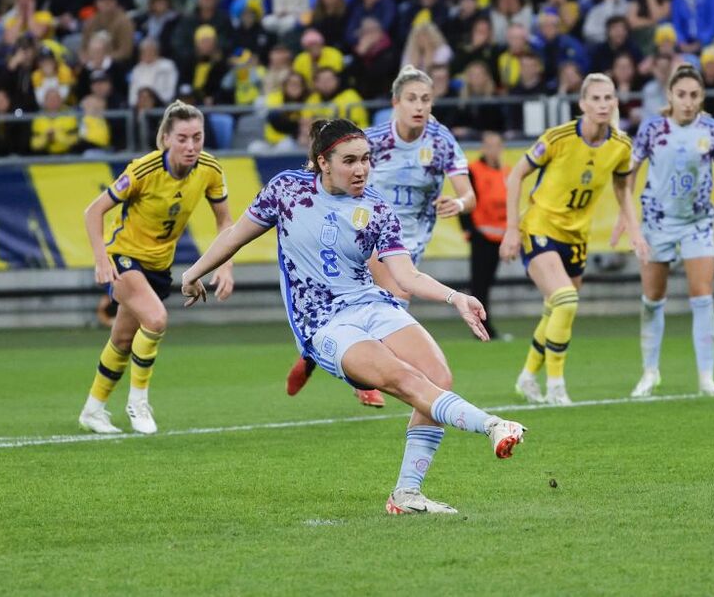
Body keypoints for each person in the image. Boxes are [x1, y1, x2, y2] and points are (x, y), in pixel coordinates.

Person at [181, 118, 526, 514]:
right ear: (322, 162)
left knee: (439, 376)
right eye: (349, 161)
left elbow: (406, 275)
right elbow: (234, 235)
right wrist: (193, 274)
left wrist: (456, 298)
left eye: (365, 159)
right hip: (324, 321)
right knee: (403, 379)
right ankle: (491, 425)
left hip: (371, 304)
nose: (361, 168)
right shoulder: (287, 191)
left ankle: (406, 495)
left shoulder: (376, 208)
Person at [285, 65, 476, 407]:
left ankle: (314, 356)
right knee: (390, 300)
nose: (419, 106)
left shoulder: (441, 141)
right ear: (395, 103)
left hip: (410, 242)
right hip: (368, 233)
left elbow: (469, 195)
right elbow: (327, 166)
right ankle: (365, 378)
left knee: (393, 304)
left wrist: (458, 203)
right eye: (411, 99)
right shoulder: (372, 141)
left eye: (426, 99)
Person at [78, 101, 235, 435]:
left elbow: (226, 222)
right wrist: (100, 259)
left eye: (197, 136)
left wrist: (226, 266)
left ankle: (92, 410)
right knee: (156, 319)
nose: (191, 146)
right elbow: (93, 211)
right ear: (165, 138)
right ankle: (138, 403)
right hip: (123, 257)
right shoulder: (143, 170)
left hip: (159, 265)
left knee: (122, 339)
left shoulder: (210, 169)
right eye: (182, 138)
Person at [500, 73, 649, 405]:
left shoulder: (621, 146)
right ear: (582, 104)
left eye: (608, 98)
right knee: (565, 299)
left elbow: (623, 189)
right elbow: (516, 175)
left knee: (556, 308)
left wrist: (634, 230)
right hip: (540, 227)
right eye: (595, 98)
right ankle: (556, 386)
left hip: (577, 237)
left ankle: (527, 377)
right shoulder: (559, 137)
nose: (602, 104)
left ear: (616, 103)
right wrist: (512, 229)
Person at [620, 64, 714, 399]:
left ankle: (707, 378)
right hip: (657, 222)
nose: (688, 102)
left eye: (694, 95)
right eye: (682, 95)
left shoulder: (713, 130)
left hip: (697, 222)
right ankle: (650, 372)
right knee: (652, 299)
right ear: (670, 96)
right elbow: (628, 174)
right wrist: (627, 215)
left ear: (701, 97)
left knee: (702, 296)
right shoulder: (652, 129)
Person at [460, 131, 509, 339]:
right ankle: (481, 329)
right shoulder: (473, 170)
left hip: (500, 236)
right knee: (479, 284)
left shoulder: (507, 172)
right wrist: (469, 229)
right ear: (483, 148)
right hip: (481, 235)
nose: (493, 150)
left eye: (496, 145)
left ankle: (485, 327)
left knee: (487, 283)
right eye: (489, 145)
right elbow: (465, 199)